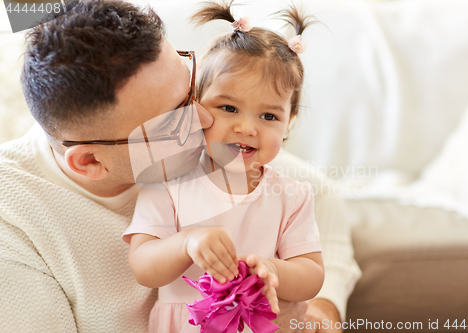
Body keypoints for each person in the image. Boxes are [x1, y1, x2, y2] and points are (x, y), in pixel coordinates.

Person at [0, 0, 358, 332]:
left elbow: (314, 191)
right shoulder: (14, 230)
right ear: (91, 162)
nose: (204, 118)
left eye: (190, 88)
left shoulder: (207, 144)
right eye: (174, 118)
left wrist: (319, 312)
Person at [122, 2, 325, 332]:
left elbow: (312, 274)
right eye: (229, 107)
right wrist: (187, 243)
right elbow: (143, 266)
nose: (247, 128)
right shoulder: (167, 180)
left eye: (269, 116)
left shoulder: (292, 195)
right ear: (196, 106)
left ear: (289, 124)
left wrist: (275, 271)